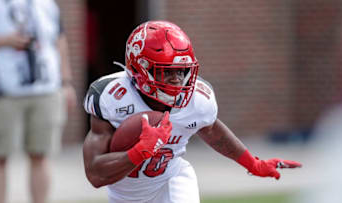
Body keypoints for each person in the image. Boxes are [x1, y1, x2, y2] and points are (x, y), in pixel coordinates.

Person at [83, 20, 302, 203]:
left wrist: (253, 164)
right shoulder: (111, 96)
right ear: (141, 69)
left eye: (182, 71)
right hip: (125, 195)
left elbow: (212, 130)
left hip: (171, 179)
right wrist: (140, 151)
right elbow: (95, 174)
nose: (178, 80)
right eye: (166, 72)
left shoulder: (197, 99)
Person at [0, 0, 76, 203]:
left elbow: (60, 40)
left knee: (40, 154)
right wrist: (4, 41)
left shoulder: (46, 3)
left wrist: (66, 82)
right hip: (4, 91)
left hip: (46, 89)